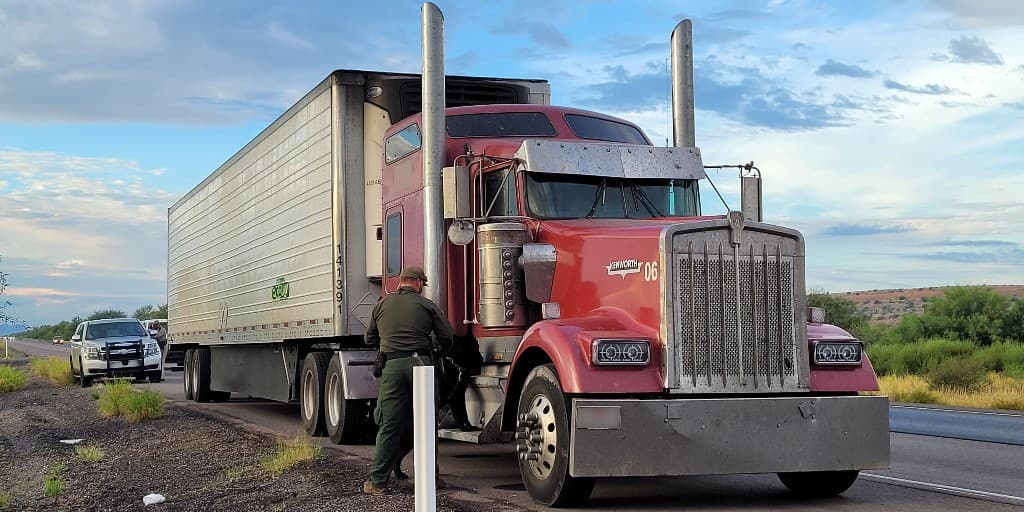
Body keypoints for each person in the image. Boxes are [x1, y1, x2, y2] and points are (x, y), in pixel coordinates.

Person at [363, 265, 453, 496]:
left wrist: (389, 343)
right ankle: (430, 478)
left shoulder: (382, 304)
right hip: (420, 366)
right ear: (419, 283)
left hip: (391, 368)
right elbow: (447, 336)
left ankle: (377, 482)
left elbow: (369, 337)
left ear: (401, 282)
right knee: (426, 424)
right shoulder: (427, 305)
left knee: (389, 425)